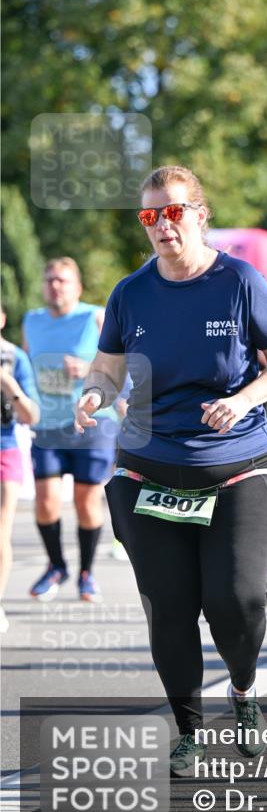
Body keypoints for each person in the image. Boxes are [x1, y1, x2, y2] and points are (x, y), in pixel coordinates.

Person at [73, 165, 267, 777]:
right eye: (151, 216)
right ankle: (189, 728)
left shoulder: (240, 280)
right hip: (148, 469)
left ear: (200, 215)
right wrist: (94, 395)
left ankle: (245, 691)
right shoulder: (131, 293)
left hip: (237, 464)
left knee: (236, 599)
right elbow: (107, 369)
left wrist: (247, 398)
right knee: (169, 605)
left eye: (174, 211)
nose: (163, 225)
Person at [23, 258, 119, 603]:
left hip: (93, 421)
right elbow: (30, 366)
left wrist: (88, 368)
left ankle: (86, 573)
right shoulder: (31, 320)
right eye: (49, 280)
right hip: (47, 423)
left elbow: (119, 363)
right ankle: (56, 566)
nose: (55, 286)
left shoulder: (95, 316)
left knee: (85, 500)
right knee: (46, 500)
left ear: (77, 286)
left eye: (62, 280)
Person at [0, 308, 40, 631]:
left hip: (5, 449)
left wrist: (6, 382)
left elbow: (32, 416)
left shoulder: (14, 358)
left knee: (1, 529)